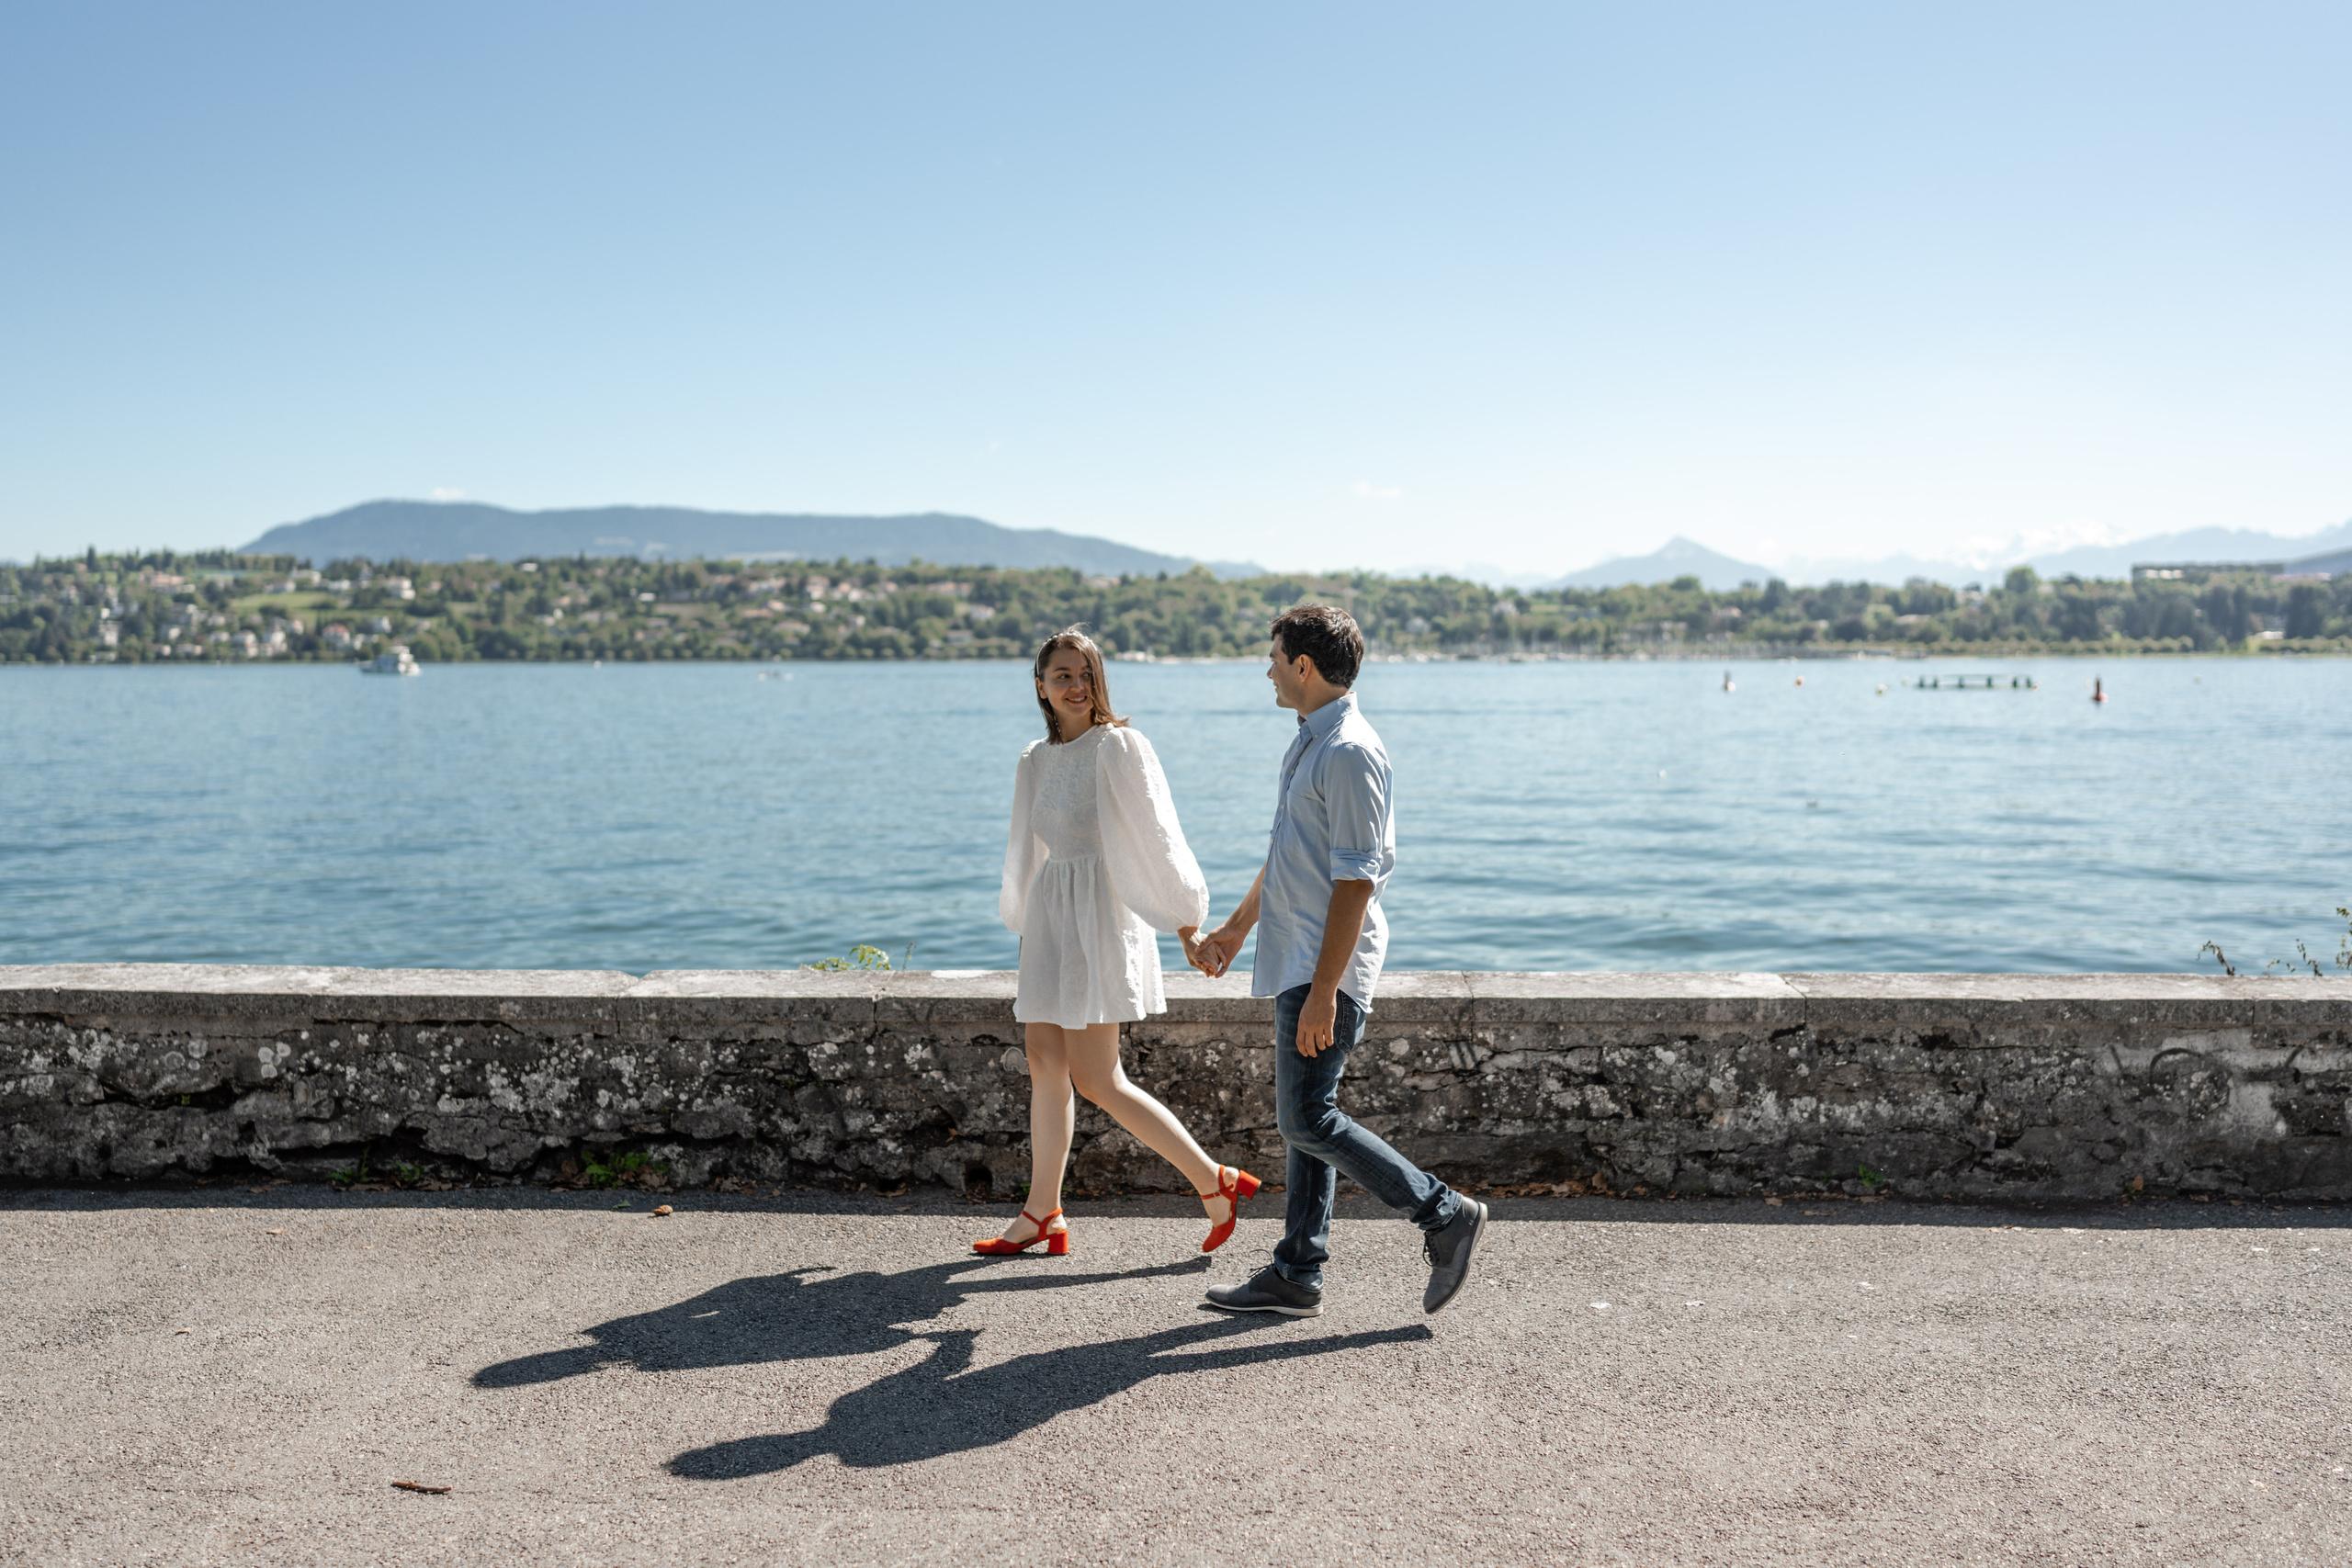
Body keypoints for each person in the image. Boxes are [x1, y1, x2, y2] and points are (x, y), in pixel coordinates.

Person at [1188, 604, 1487, 1317]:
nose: (1266, 668)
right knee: (1307, 1115)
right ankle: (1297, 1271)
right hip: (1298, 954)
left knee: (1307, 1119)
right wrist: (1234, 930)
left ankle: (1444, 1213)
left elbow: (1356, 880)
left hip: (1327, 963)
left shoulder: (1349, 751)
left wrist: (1325, 989)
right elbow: (1287, 857)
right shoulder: (1310, 742)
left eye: (1274, 655)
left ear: (1304, 666)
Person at [976, 628, 1261, 1258]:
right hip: (1054, 918)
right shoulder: (1035, 759)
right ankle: (1042, 1211)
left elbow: (1157, 838)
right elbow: (1029, 851)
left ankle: (1214, 1180)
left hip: (1103, 918)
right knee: (1045, 1063)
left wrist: (1187, 923)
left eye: (1085, 674)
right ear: (1040, 686)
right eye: (1062, 675)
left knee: (1099, 1077)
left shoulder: (1119, 748)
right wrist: (1029, 928)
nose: (1075, 686)